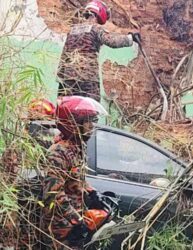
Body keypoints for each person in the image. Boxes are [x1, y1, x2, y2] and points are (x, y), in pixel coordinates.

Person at [41, 96, 107, 249]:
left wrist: (92, 192)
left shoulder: (79, 147)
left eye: (93, 121)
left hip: (75, 221)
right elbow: (53, 194)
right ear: (74, 124)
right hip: (59, 227)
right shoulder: (59, 152)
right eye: (88, 121)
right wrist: (77, 220)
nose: (92, 126)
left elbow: (76, 179)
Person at [57, 0, 141, 102]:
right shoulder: (95, 28)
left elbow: (64, 55)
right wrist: (130, 38)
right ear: (100, 13)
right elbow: (112, 42)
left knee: (67, 109)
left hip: (68, 78)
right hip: (87, 78)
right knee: (90, 109)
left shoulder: (72, 30)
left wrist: (61, 78)